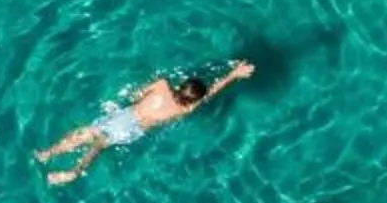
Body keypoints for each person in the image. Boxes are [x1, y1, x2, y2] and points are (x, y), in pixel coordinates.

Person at [36, 59, 255, 185]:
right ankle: (76, 170)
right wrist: (233, 74)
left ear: (182, 84)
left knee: (87, 133)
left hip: (126, 116)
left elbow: (136, 95)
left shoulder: (162, 85)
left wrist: (133, 99)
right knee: (100, 144)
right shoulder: (185, 109)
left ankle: (50, 154)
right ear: (193, 99)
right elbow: (211, 92)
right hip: (135, 130)